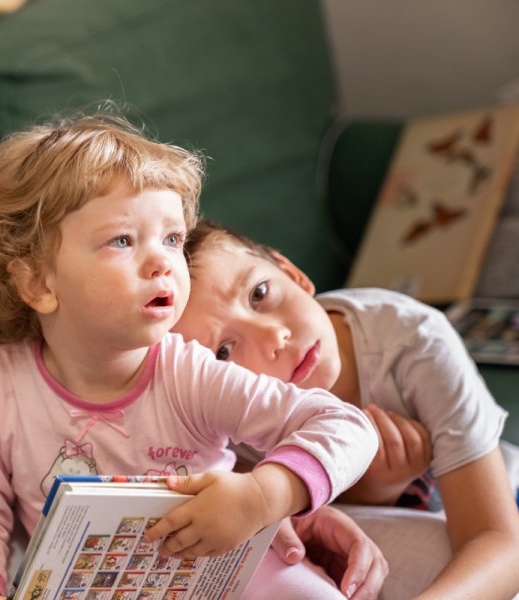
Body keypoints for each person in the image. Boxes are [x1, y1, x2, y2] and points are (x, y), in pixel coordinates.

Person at [0, 113, 381, 600]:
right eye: (123, 240)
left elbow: (345, 427)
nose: (164, 261)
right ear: (39, 283)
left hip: (224, 574)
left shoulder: (188, 373)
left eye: (172, 238)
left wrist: (262, 495)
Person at [172, 219, 519, 599]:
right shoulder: (212, 404)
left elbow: (499, 540)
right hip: (358, 525)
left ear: (293, 273)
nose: (275, 338)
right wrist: (375, 493)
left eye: (260, 294)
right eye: (224, 351)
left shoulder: (413, 340)